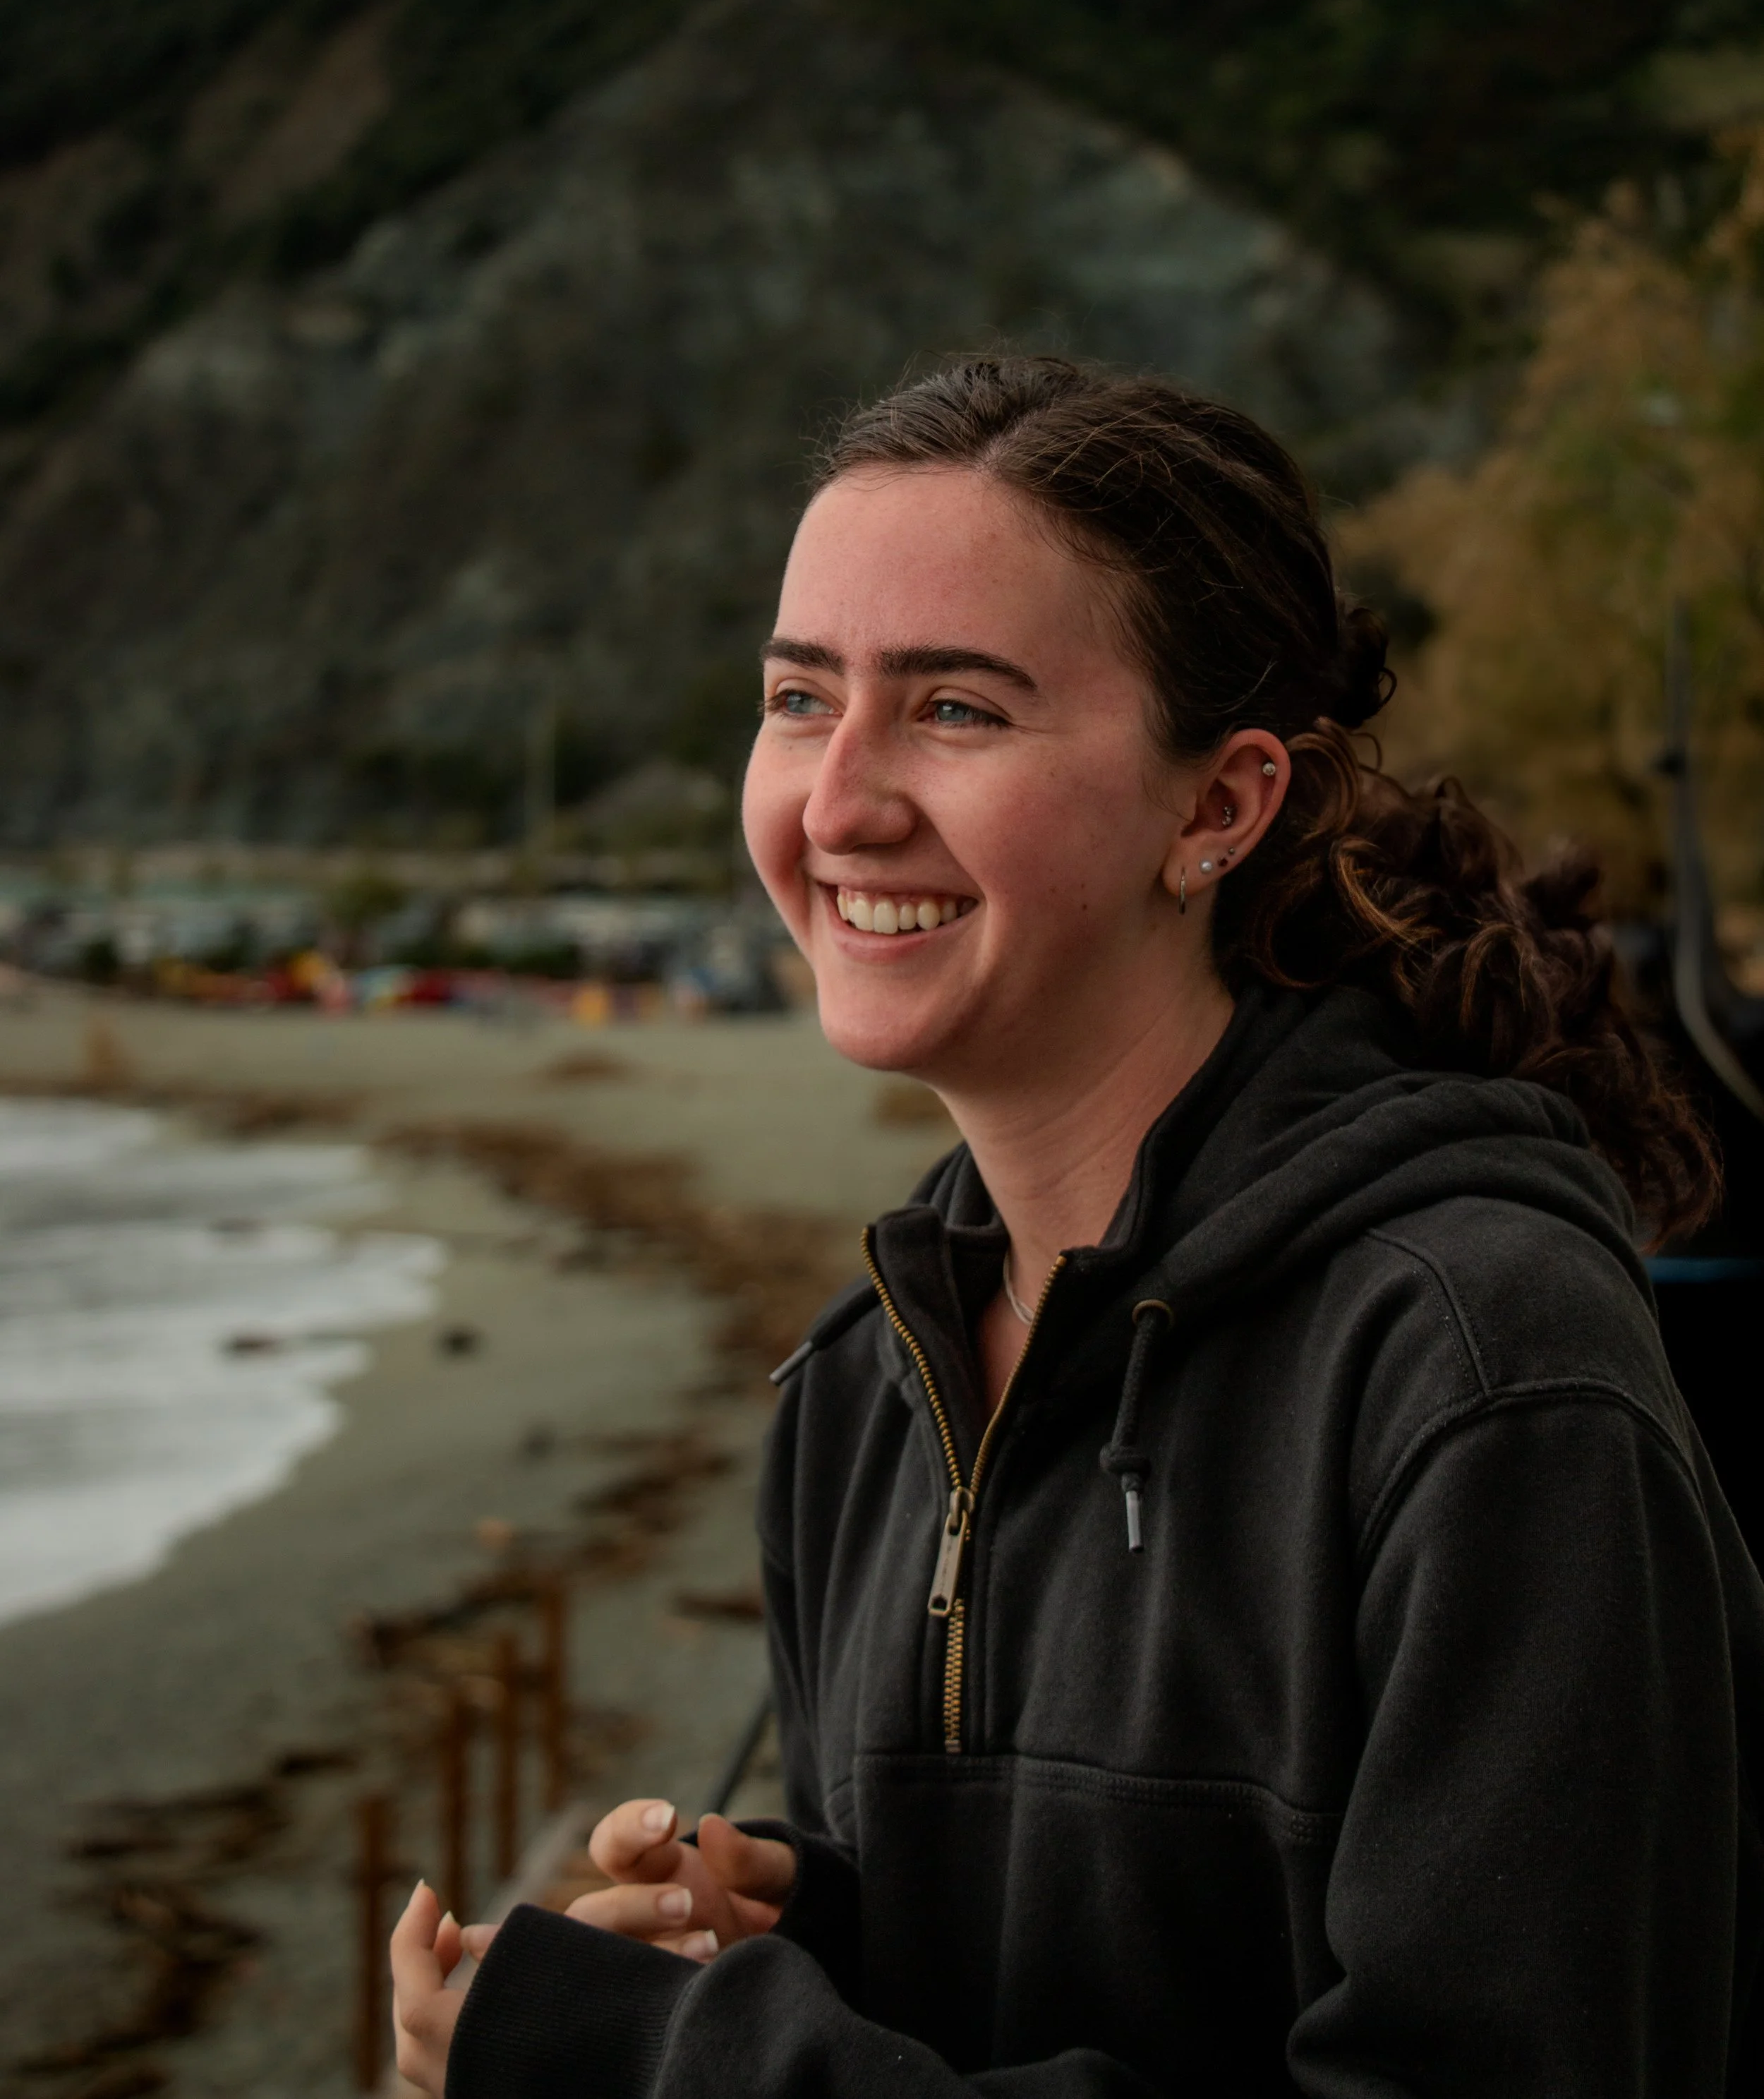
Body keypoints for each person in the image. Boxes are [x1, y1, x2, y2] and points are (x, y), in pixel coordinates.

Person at [393, 356, 1764, 2096]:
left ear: (1217, 806)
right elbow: (1098, 1985)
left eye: (956, 709)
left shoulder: (1484, 1380)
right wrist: (814, 1932)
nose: (837, 805)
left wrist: (673, 2070)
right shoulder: (856, 1391)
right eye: (801, 698)